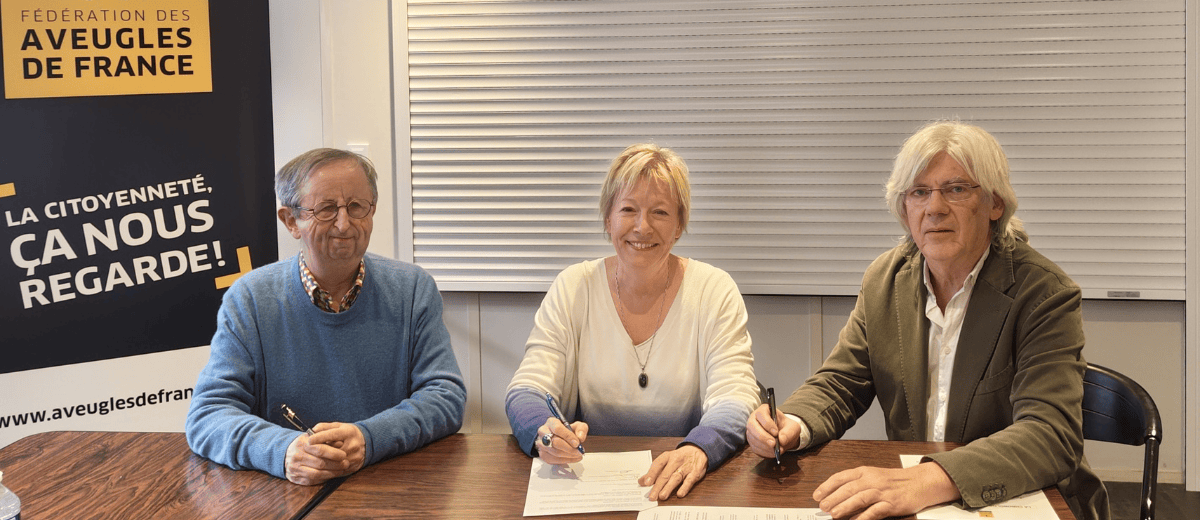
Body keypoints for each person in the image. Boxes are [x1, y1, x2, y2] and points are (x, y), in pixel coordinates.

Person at [746, 121, 1109, 520]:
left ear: (994, 204)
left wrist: (930, 479)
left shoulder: (1044, 292)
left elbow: (1050, 435)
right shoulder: (885, 279)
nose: (934, 207)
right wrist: (791, 422)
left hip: (1020, 498)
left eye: (956, 189)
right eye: (919, 192)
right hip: (919, 501)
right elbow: (842, 381)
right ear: (904, 207)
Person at [186, 148, 466, 485]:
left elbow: (445, 396)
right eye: (327, 209)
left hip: (388, 483)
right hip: (286, 493)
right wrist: (284, 450)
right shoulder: (250, 299)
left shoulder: (412, 289)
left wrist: (369, 438)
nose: (345, 223)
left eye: (357, 207)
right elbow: (208, 415)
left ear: (372, 211)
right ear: (291, 221)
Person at [506, 143, 760, 501]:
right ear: (608, 219)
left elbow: (735, 396)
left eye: (660, 212)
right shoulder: (573, 286)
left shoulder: (713, 290)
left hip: (682, 485)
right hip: (585, 483)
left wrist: (699, 449)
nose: (642, 227)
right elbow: (528, 387)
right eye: (628, 209)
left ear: (679, 225)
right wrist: (544, 433)